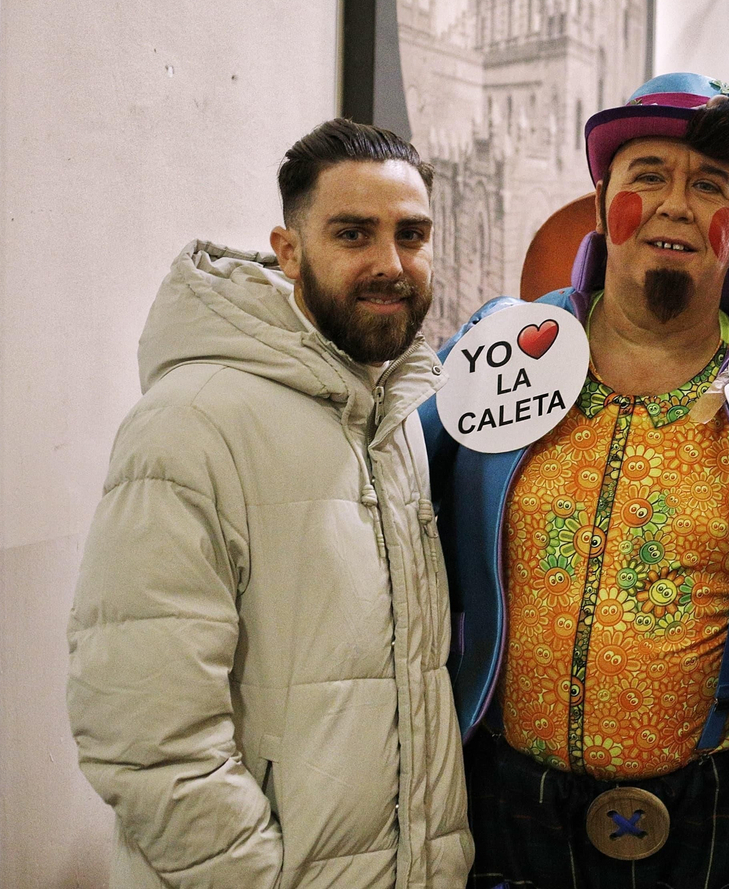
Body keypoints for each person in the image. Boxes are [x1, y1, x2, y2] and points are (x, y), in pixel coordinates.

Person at [423, 67, 729, 889]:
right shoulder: (503, 352)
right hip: (500, 807)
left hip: (715, 821)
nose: (675, 203)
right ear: (602, 204)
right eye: (648, 177)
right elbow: (391, 495)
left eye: (709, 185)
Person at [68, 119, 472, 887]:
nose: (390, 263)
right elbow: (145, 735)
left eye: (411, 234)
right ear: (289, 253)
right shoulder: (189, 425)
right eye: (354, 233)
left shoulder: (394, 420)